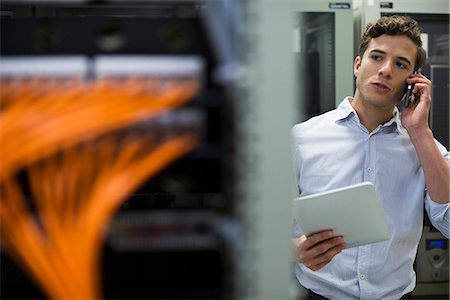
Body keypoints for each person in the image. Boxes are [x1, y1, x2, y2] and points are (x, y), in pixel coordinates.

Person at [291, 15, 449, 299]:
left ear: (413, 82)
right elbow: (261, 226)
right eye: (377, 57)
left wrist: (420, 131)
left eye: (401, 64)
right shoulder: (302, 139)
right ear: (357, 65)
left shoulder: (424, 146)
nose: (386, 70)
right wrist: (292, 250)